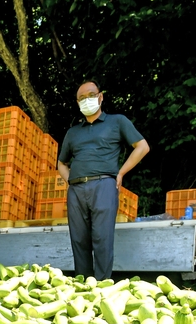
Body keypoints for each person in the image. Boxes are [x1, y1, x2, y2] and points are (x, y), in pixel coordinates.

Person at [56, 80, 150, 280]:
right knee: (79, 239)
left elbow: (142, 147)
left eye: (91, 95)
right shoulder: (73, 132)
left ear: (100, 96)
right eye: (81, 98)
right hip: (76, 189)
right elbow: (61, 163)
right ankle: (83, 285)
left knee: (102, 237)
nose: (86, 100)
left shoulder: (117, 121)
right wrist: (70, 182)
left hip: (105, 184)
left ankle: (102, 285)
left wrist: (121, 173)